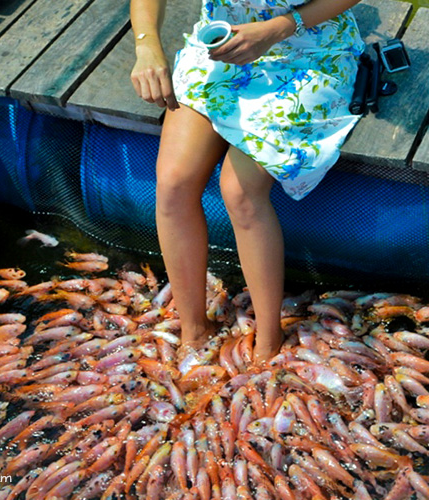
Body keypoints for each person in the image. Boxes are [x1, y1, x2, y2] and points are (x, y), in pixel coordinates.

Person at [130, 0, 364, 364]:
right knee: (174, 183)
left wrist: (276, 29)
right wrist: (147, 46)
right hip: (218, 51)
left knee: (239, 190)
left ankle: (269, 342)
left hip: (308, 53)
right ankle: (194, 330)